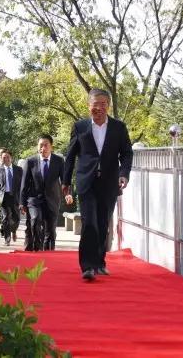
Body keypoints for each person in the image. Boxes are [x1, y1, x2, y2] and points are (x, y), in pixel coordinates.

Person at [63, 88, 133, 281]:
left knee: (103, 223)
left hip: (109, 183)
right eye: (95, 104)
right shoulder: (80, 127)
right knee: (89, 223)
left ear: (108, 106)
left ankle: (99, 263)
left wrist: (124, 174)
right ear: (89, 106)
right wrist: (66, 181)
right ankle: (87, 266)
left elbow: (127, 153)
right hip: (87, 182)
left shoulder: (119, 127)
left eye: (103, 104)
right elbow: (70, 156)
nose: (99, 108)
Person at [19, 134, 65, 251]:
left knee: (51, 230)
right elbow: (24, 183)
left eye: (46, 145)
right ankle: (37, 248)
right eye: (40, 145)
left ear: (51, 147)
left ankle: (49, 252)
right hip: (34, 199)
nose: (43, 148)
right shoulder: (30, 161)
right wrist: (22, 202)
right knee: (35, 220)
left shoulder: (59, 161)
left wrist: (67, 193)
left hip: (52, 199)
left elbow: (64, 180)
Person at [0, 150, 22, 246]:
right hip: (4, 197)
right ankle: (7, 238)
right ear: (1, 159)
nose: (6, 159)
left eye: (8, 157)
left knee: (16, 218)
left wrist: (23, 199)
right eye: (4, 157)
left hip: (15, 197)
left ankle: (14, 230)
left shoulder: (19, 170)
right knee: (5, 218)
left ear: (11, 158)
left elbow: (23, 186)